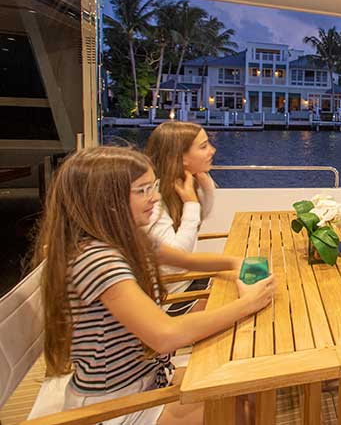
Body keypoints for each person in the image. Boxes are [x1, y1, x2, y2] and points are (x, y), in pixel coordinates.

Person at [35, 146, 274, 425]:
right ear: (104, 199)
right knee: (245, 408)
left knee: (246, 385)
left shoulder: (129, 238)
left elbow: (186, 260)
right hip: (116, 406)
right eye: (142, 190)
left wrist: (236, 262)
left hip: (149, 378)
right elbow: (165, 335)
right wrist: (247, 303)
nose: (155, 197)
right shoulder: (98, 260)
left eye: (153, 187)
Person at [145, 121, 217, 313]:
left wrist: (205, 184)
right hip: (171, 299)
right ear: (180, 156)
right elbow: (176, 262)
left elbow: (200, 217)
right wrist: (191, 203)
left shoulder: (176, 187)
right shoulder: (153, 202)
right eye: (204, 146)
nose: (212, 150)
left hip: (187, 282)